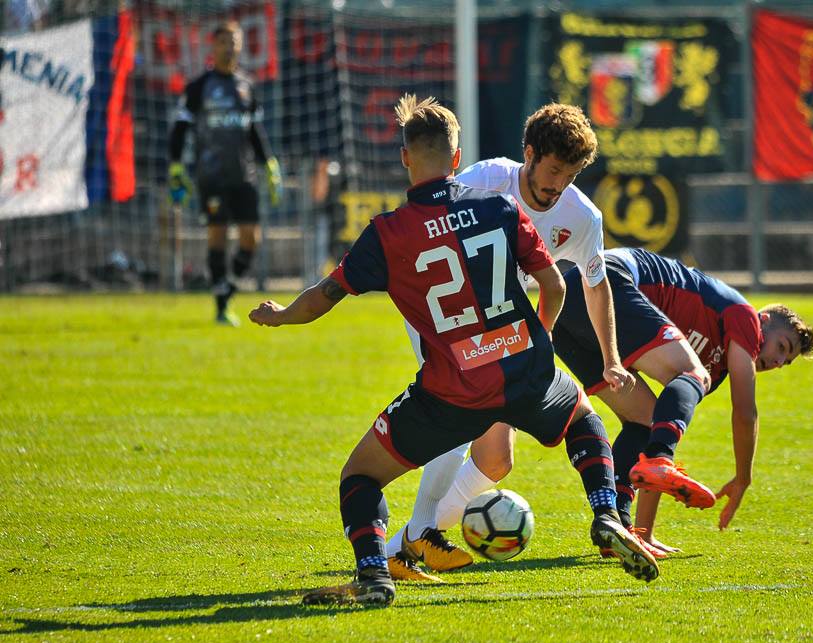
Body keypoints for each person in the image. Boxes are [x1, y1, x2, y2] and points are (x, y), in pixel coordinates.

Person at [249, 95, 657, 606]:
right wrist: (538, 342)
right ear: (458, 158)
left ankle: (375, 573)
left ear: (405, 157)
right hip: (524, 368)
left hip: (453, 383)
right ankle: (605, 513)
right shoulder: (500, 206)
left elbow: (323, 297)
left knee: (360, 477)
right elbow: (555, 285)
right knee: (584, 419)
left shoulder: (387, 233)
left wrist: (282, 313)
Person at [384, 104, 635, 581]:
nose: (559, 185)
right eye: (554, 170)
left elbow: (594, 283)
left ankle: (398, 549)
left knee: (495, 460)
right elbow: (424, 218)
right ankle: (415, 539)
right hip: (443, 316)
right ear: (530, 154)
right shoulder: (487, 181)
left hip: (500, 329)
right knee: (461, 416)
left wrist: (611, 359)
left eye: (571, 175)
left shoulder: (583, 217)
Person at [552, 247, 813, 557]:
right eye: (782, 347)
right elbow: (745, 412)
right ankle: (658, 462)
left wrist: (646, 532)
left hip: (567, 314)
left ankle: (619, 526)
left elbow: (659, 428)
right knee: (693, 379)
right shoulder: (745, 317)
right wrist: (743, 478)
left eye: (786, 361)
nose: (778, 361)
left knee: (646, 423)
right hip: (605, 282)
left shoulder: (717, 368)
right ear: (764, 321)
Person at [168, 20, 283, 326]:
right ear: (213, 46)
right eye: (223, 42)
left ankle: (228, 288)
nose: (229, 47)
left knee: (251, 239)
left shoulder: (246, 86)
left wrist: (269, 165)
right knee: (217, 236)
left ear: (240, 46)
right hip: (212, 176)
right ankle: (221, 306)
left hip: (244, 175)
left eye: (234, 42)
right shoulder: (199, 87)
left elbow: (255, 131)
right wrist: (176, 166)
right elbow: (180, 128)